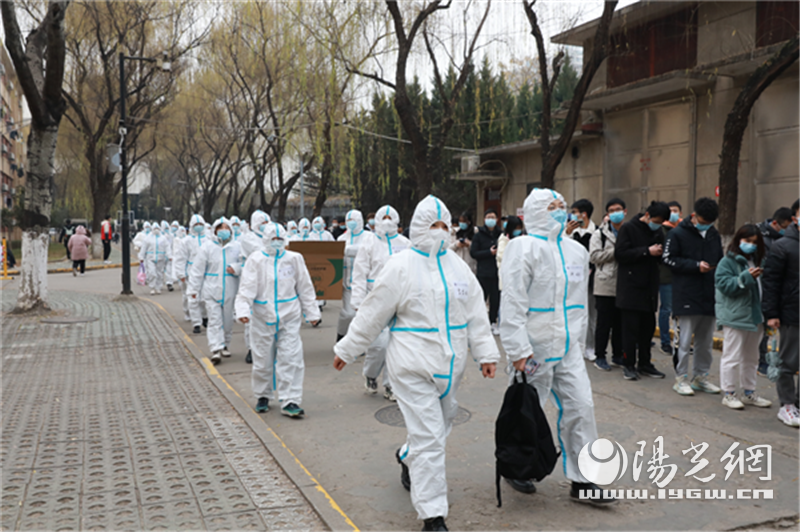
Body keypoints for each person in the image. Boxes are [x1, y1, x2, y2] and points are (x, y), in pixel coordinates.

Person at [334, 195, 499, 531]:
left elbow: (475, 313)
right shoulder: (400, 266)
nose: (439, 232)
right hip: (410, 365)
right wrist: (348, 348)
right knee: (430, 438)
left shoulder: (458, 267)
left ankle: (407, 456)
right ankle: (432, 514)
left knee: (441, 425)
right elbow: (373, 311)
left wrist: (486, 352)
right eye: (432, 225)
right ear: (419, 227)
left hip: (450, 366)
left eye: (444, 225)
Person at [499, 188, 615, 507]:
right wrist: (517, 349)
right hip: (533, 350)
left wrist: (578, 343)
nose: (560, 211)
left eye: (562, 206)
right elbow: (512, 301)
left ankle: (584, 480)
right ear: (534, 211)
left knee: (581, 407)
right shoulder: (522, 248)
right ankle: (517, 466)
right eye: (551, 206)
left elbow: (578, 303)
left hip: (567, 348)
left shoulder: (575, 251)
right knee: (525, 412)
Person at [236, 222, 320, 418]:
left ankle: (290, 400)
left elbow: (305, 287)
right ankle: (263, 395)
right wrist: (243, 310)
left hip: (289, 316)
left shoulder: (294, 259)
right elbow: (246, 288)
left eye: (280, 239)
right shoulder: (256, 260)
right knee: (262, 359)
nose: (276, 243)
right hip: (262, 317)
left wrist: (312, 313)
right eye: (273, 239)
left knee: (291, 358)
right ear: (265, 240)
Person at [663, 197, 724, 396]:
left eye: (710, 222)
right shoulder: (677, 233)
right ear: (694, 216)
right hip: (686, 294)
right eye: (703, 221)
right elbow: (668, 259)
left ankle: (701, 376)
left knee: (705, 342)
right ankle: (681, 378)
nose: (706, 225)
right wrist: (695, 266)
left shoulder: (714, 235)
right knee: (684, 340)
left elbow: (720, 260)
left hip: (709, 294)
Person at [351, 204, 411, 400]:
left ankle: (391, 385)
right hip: (375, 299)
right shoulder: (368, 244)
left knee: (397, 345)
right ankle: (370, 373)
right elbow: (359, 274)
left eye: (389, 217)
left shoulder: (405, 243)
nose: (386, 221)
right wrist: (358, 302)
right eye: (382, 217)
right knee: (379, 345)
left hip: (400, 300)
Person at [715, 224, 771, 410]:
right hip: (736, 316)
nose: (751, 245)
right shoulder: (728, 262)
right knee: (732, 356)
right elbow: (724, 285)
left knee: (751, 357)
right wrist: (745, 278)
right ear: (739, 240)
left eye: (755, 242)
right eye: (747, 241)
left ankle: (749, 391)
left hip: (756, 315)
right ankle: (729, 393)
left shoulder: (759, 260)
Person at [615, 201, 670, 381]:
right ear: (647, 215)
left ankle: (645, 363)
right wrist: (646, 251)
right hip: (630, 287)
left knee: (647, 329)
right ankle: (628, 364)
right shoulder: (629, 228)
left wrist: (660, 253)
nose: (658, 224)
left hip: (650, 286)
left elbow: (660, 255)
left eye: (661, 222)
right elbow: (620, 254)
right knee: (630, 330)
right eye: (656, 220)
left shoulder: (657, 231)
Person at [762, 199, 799, 427]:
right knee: (789, 361)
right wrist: (771, 313)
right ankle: (787, 405)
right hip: (791, 313)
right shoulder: (783, 246)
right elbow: (771, 282)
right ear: (794, 217)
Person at [188, 218, 242, 365]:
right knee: (214, 320)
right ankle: (215, 349)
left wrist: (236, 269)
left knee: (227, 319)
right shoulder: (207, 247)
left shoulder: (236, 246)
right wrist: (193, 290)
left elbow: (245, 265)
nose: (223, 230)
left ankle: (225, 344)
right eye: (220, 227)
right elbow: (197, 270)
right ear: (215, 230)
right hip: (211, 288)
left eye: (226, 227)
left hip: (230, 287)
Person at [589, 198, 626, 371]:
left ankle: (618, 355)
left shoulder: (629, 231)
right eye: (612, 210)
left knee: (620, 323)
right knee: (604, 323)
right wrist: (617, 251)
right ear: (607, 214)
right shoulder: (600, 234)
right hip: (604, 284)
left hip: (625, 283)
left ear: (625, 211)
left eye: (618, 209)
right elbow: (594, 256)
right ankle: (600, 356)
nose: (615, 213)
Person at [757, 206, 793, 375]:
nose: (786, 231)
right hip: (763, 287)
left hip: (782, 293)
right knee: (764, 328)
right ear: (775, 223)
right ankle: (761, 360)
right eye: (784, 228)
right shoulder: (760, 238)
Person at [240, 211, 271, 364]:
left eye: (267, 223)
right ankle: (252, 349)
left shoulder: (271, 237)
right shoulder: (249, 239)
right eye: (262, 223)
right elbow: (259, 253)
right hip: (253, 280)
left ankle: (268, 348)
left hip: (270, 280)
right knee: (252, 316)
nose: (265, 226)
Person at [568, 199, 597, 361]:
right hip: (573, 281)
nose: (573, 215)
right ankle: (575, 345)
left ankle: (590, 346)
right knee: (574, 313)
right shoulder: (571, 233)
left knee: (591, 315)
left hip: (592, 280)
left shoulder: (596, 232)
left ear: (583, 214)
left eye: (575, 212)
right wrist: (566, 233)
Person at [336, 210, 368, 342]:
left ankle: (356, 341)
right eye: (348, 220)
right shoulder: (342, 239)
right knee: (348, 313)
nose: (351, 223)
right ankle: (341, 334)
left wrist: (348, 250)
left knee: (362, 314)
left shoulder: (369, 237)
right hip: (346, 282)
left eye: (353, 219)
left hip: (365, 282)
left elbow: (367, 250)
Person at [174, 214, 209, 333]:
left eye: (200, 224)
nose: (198, 227)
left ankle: (205, 317)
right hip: (192, 273)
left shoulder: (209, 239)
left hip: (207, 272)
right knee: (193, 298)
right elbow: (180, 258)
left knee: (205, 298)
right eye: (196, 225)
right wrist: (181, 274)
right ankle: (196, 323)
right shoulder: (186, 241)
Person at [470, 208, 502, 335]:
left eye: (493, 217)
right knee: (480, 299)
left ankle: (493, 322)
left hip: (497, 273)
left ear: (497, 219)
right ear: (484, 219)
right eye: (488, 217)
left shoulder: (501, 235)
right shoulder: (478, 235)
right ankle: (478, 322)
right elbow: (474, 253)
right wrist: (489, 252)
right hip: (483, 272)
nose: (491, 220)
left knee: (495, 300)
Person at [658, 201, 683, 354]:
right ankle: (665, 341)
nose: (673, 213)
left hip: (681, 276)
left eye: (676, 210)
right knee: (666, 309)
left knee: (680, 311)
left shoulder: (684, 229)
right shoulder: (661, 230)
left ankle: (680, 341)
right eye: (671, 211)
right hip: (666, 276)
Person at [139, 220, 171, 295]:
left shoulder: (163, 238)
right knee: (152, 273)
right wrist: (141, 257)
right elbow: (144, 248)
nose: (156, 230)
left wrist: (169, 255)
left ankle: (158, 287)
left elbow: (167, 247)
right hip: (150, 258)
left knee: (159, 274)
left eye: (158, 228)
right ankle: (152, 287)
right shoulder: (148, 238)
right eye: (155, 228)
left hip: (161, 258)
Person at [496, 215, 523, 293]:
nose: (518, 230)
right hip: (508, 276)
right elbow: (501, 257)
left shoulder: (523, 238)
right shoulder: (503, 239)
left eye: (519, 228)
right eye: (516, 228)